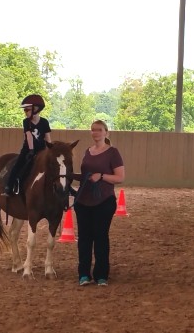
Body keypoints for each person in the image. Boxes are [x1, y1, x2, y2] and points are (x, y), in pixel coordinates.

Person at [74, 120, 125, 286]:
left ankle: (101, 274)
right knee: (84, 238)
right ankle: (84, 274)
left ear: (106, 133)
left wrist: (101, 176)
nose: (95, 133)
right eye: (93, 130)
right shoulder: (87, 152)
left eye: (99, 130)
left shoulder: (113, 153)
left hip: (104, 200)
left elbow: (120, 177)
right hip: (84, 200)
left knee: (100, 237)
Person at [1, 94, 52, 196]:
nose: (25, 113)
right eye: (25, 110)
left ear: (35, 109)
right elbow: (28, 136)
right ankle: (9, 187)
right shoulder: (26, 122)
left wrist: (50, 150)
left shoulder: (44, 122)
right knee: (18, 165)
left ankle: (65, 189)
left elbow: (48, 138)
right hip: (27, 149)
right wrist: (31, 150)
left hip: (42, 150)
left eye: (27, 110)